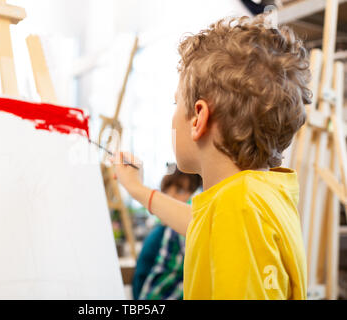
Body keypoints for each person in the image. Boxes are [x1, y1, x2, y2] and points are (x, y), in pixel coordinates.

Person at [113, 14, 311, 299]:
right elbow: (198, 224)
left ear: (198, 118)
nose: (172, 115)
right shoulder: (256, 195)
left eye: (175, 102)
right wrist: (136, 189)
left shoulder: (238, 208)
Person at [132, 167, 202, 300]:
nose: (171, 197)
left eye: (180, 191)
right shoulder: (164, 232)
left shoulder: (174, 228)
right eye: (165, 192)